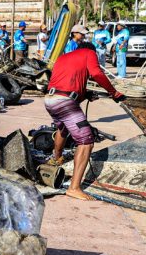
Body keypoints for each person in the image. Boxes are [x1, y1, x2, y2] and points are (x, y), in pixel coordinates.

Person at [45, 41, 125, 200]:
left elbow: (65, 81)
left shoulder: (63, 57)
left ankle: (56, 159)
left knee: (63, 129)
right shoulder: (89, 53)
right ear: (90, 51)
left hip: (50, 99)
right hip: (65, 101)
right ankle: (74, 187)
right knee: (86, 140)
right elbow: (96, 73)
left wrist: (85, 94)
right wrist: (113, 92)